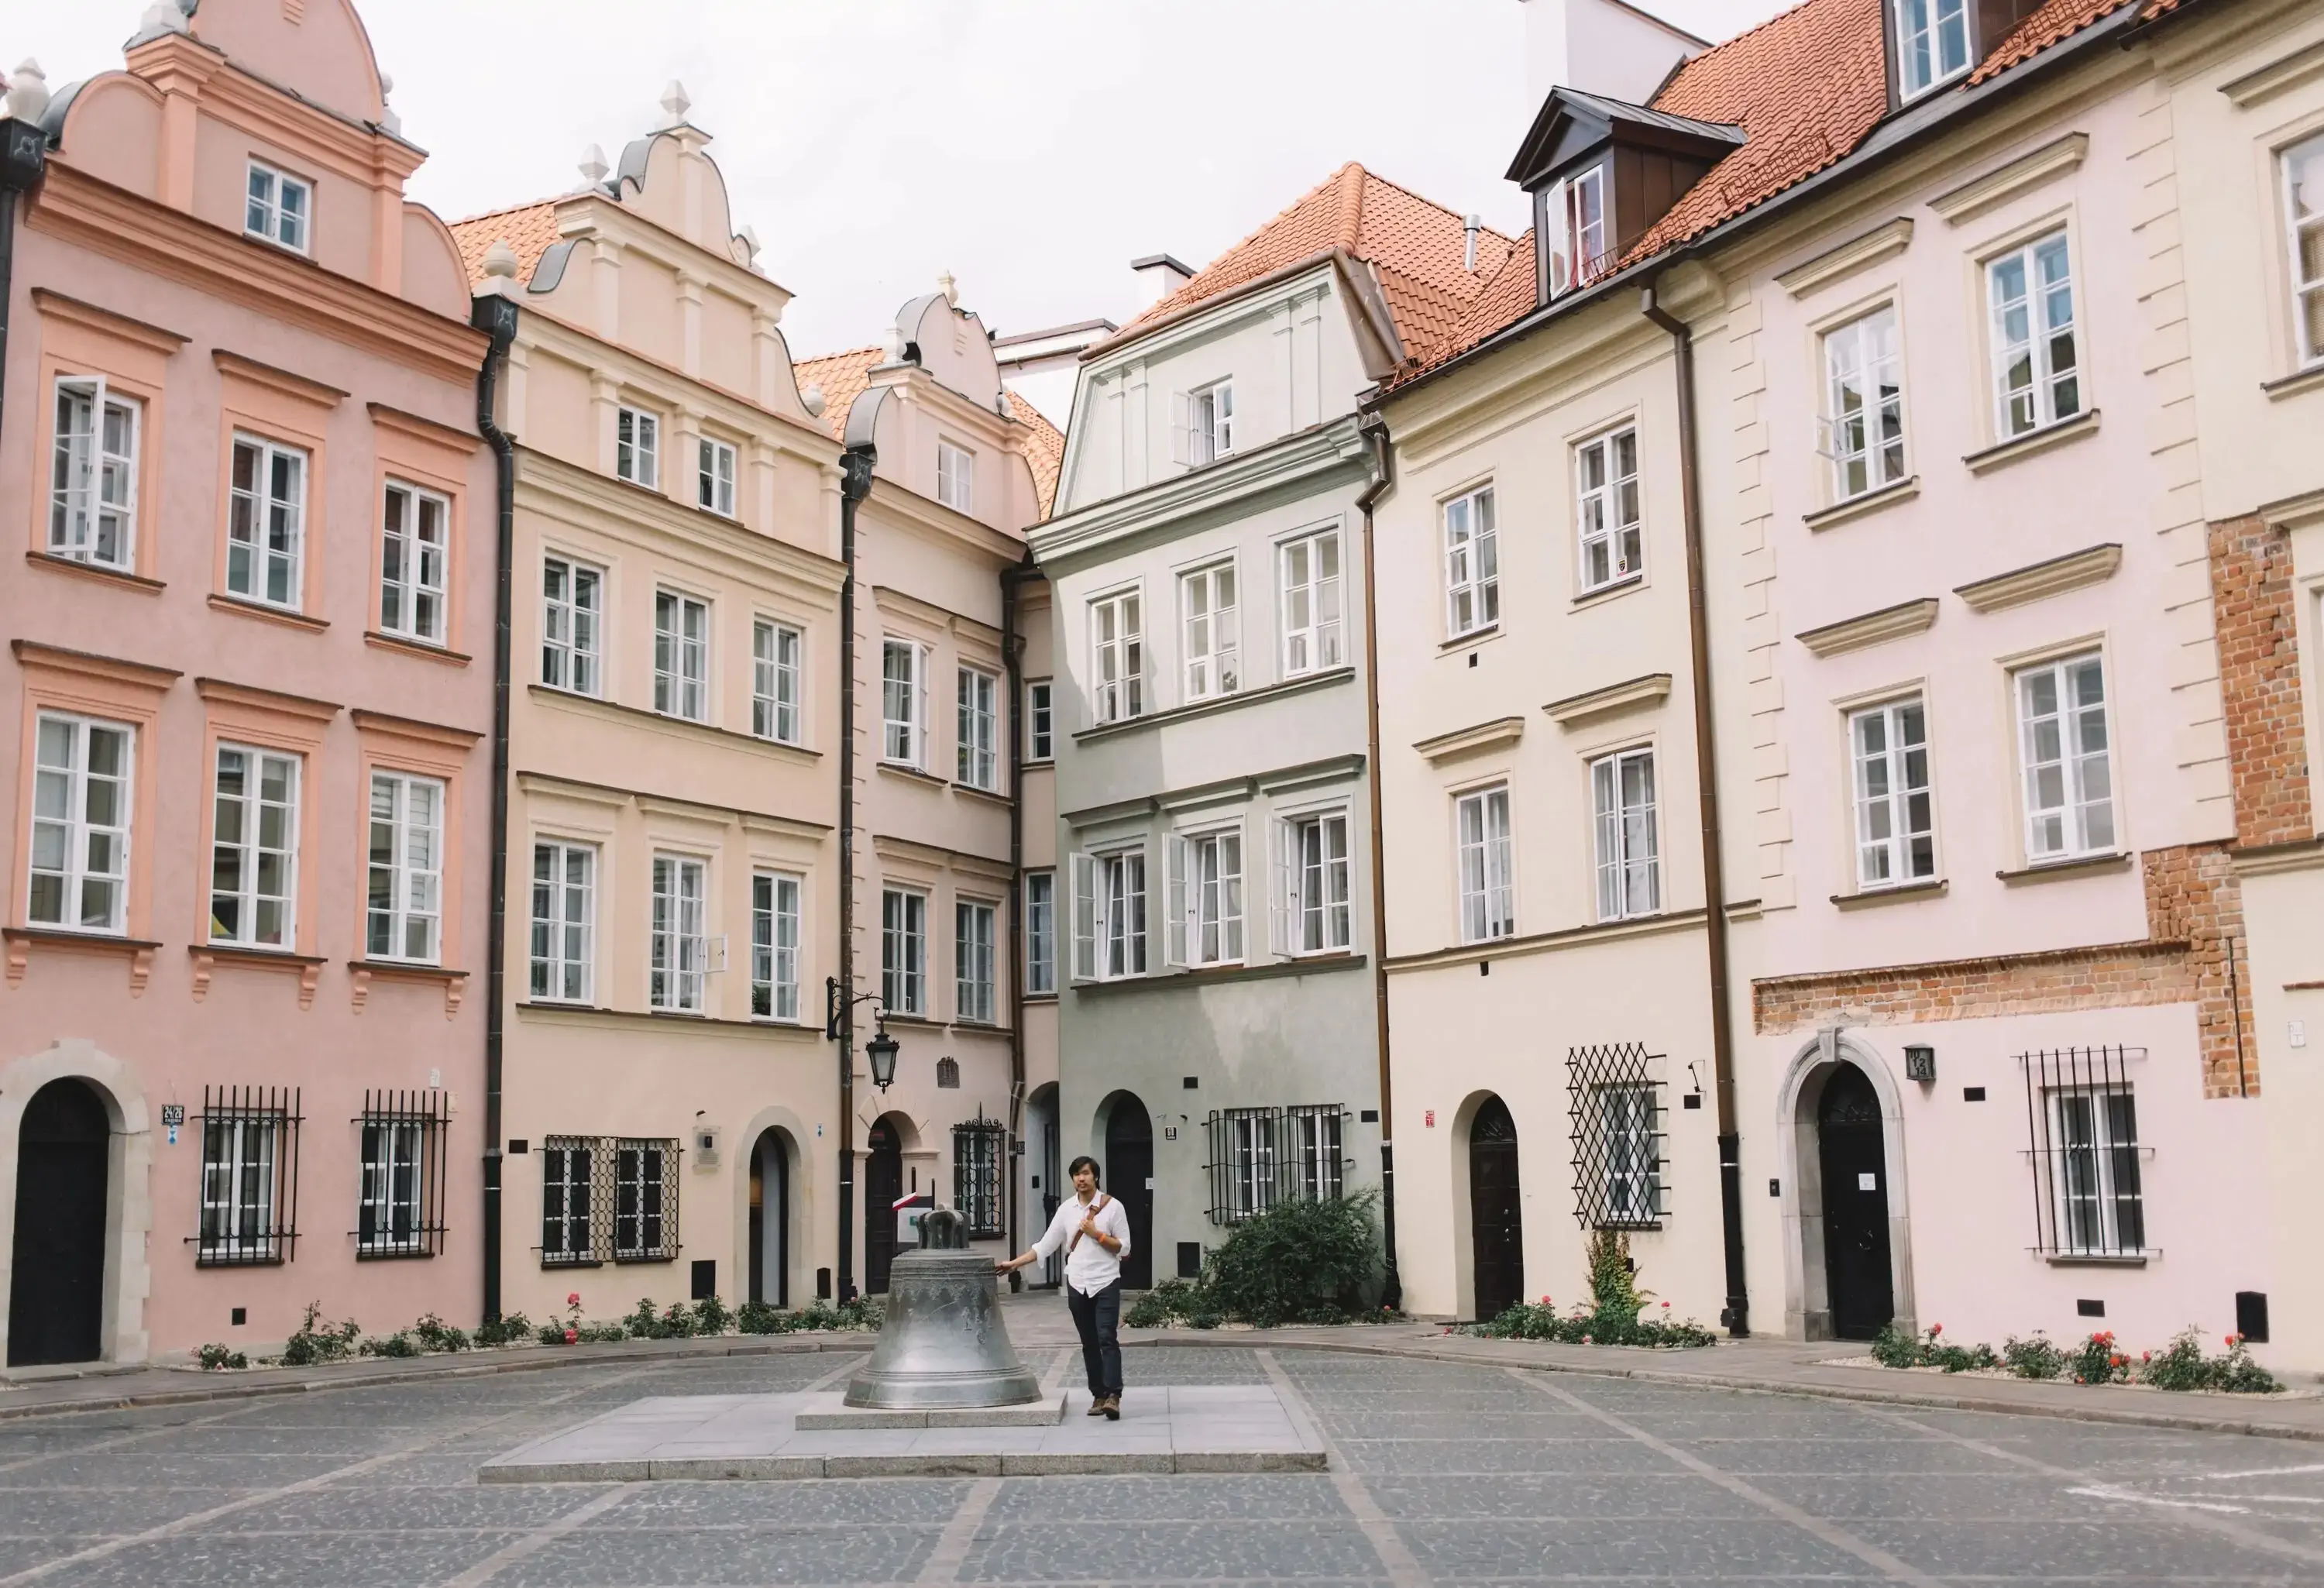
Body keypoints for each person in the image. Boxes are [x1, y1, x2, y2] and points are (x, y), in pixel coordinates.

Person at [998, 1153, 1132, 1418]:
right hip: (1077, 1282)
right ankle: (1099, 1395)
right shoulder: (1066, 1210)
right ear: (1073, 1179)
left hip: (1106, 1280)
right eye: (1077, 1174)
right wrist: (1015, 1264)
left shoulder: (1113, 1207)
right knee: (1089, 1342)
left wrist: (1098, 1235)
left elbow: (1124, 1247)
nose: (1081, 1178)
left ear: (1096, 1176)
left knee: (1107, 1337)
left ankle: (1114, 1395)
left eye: (1086, 1173)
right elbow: (1045, 1245)